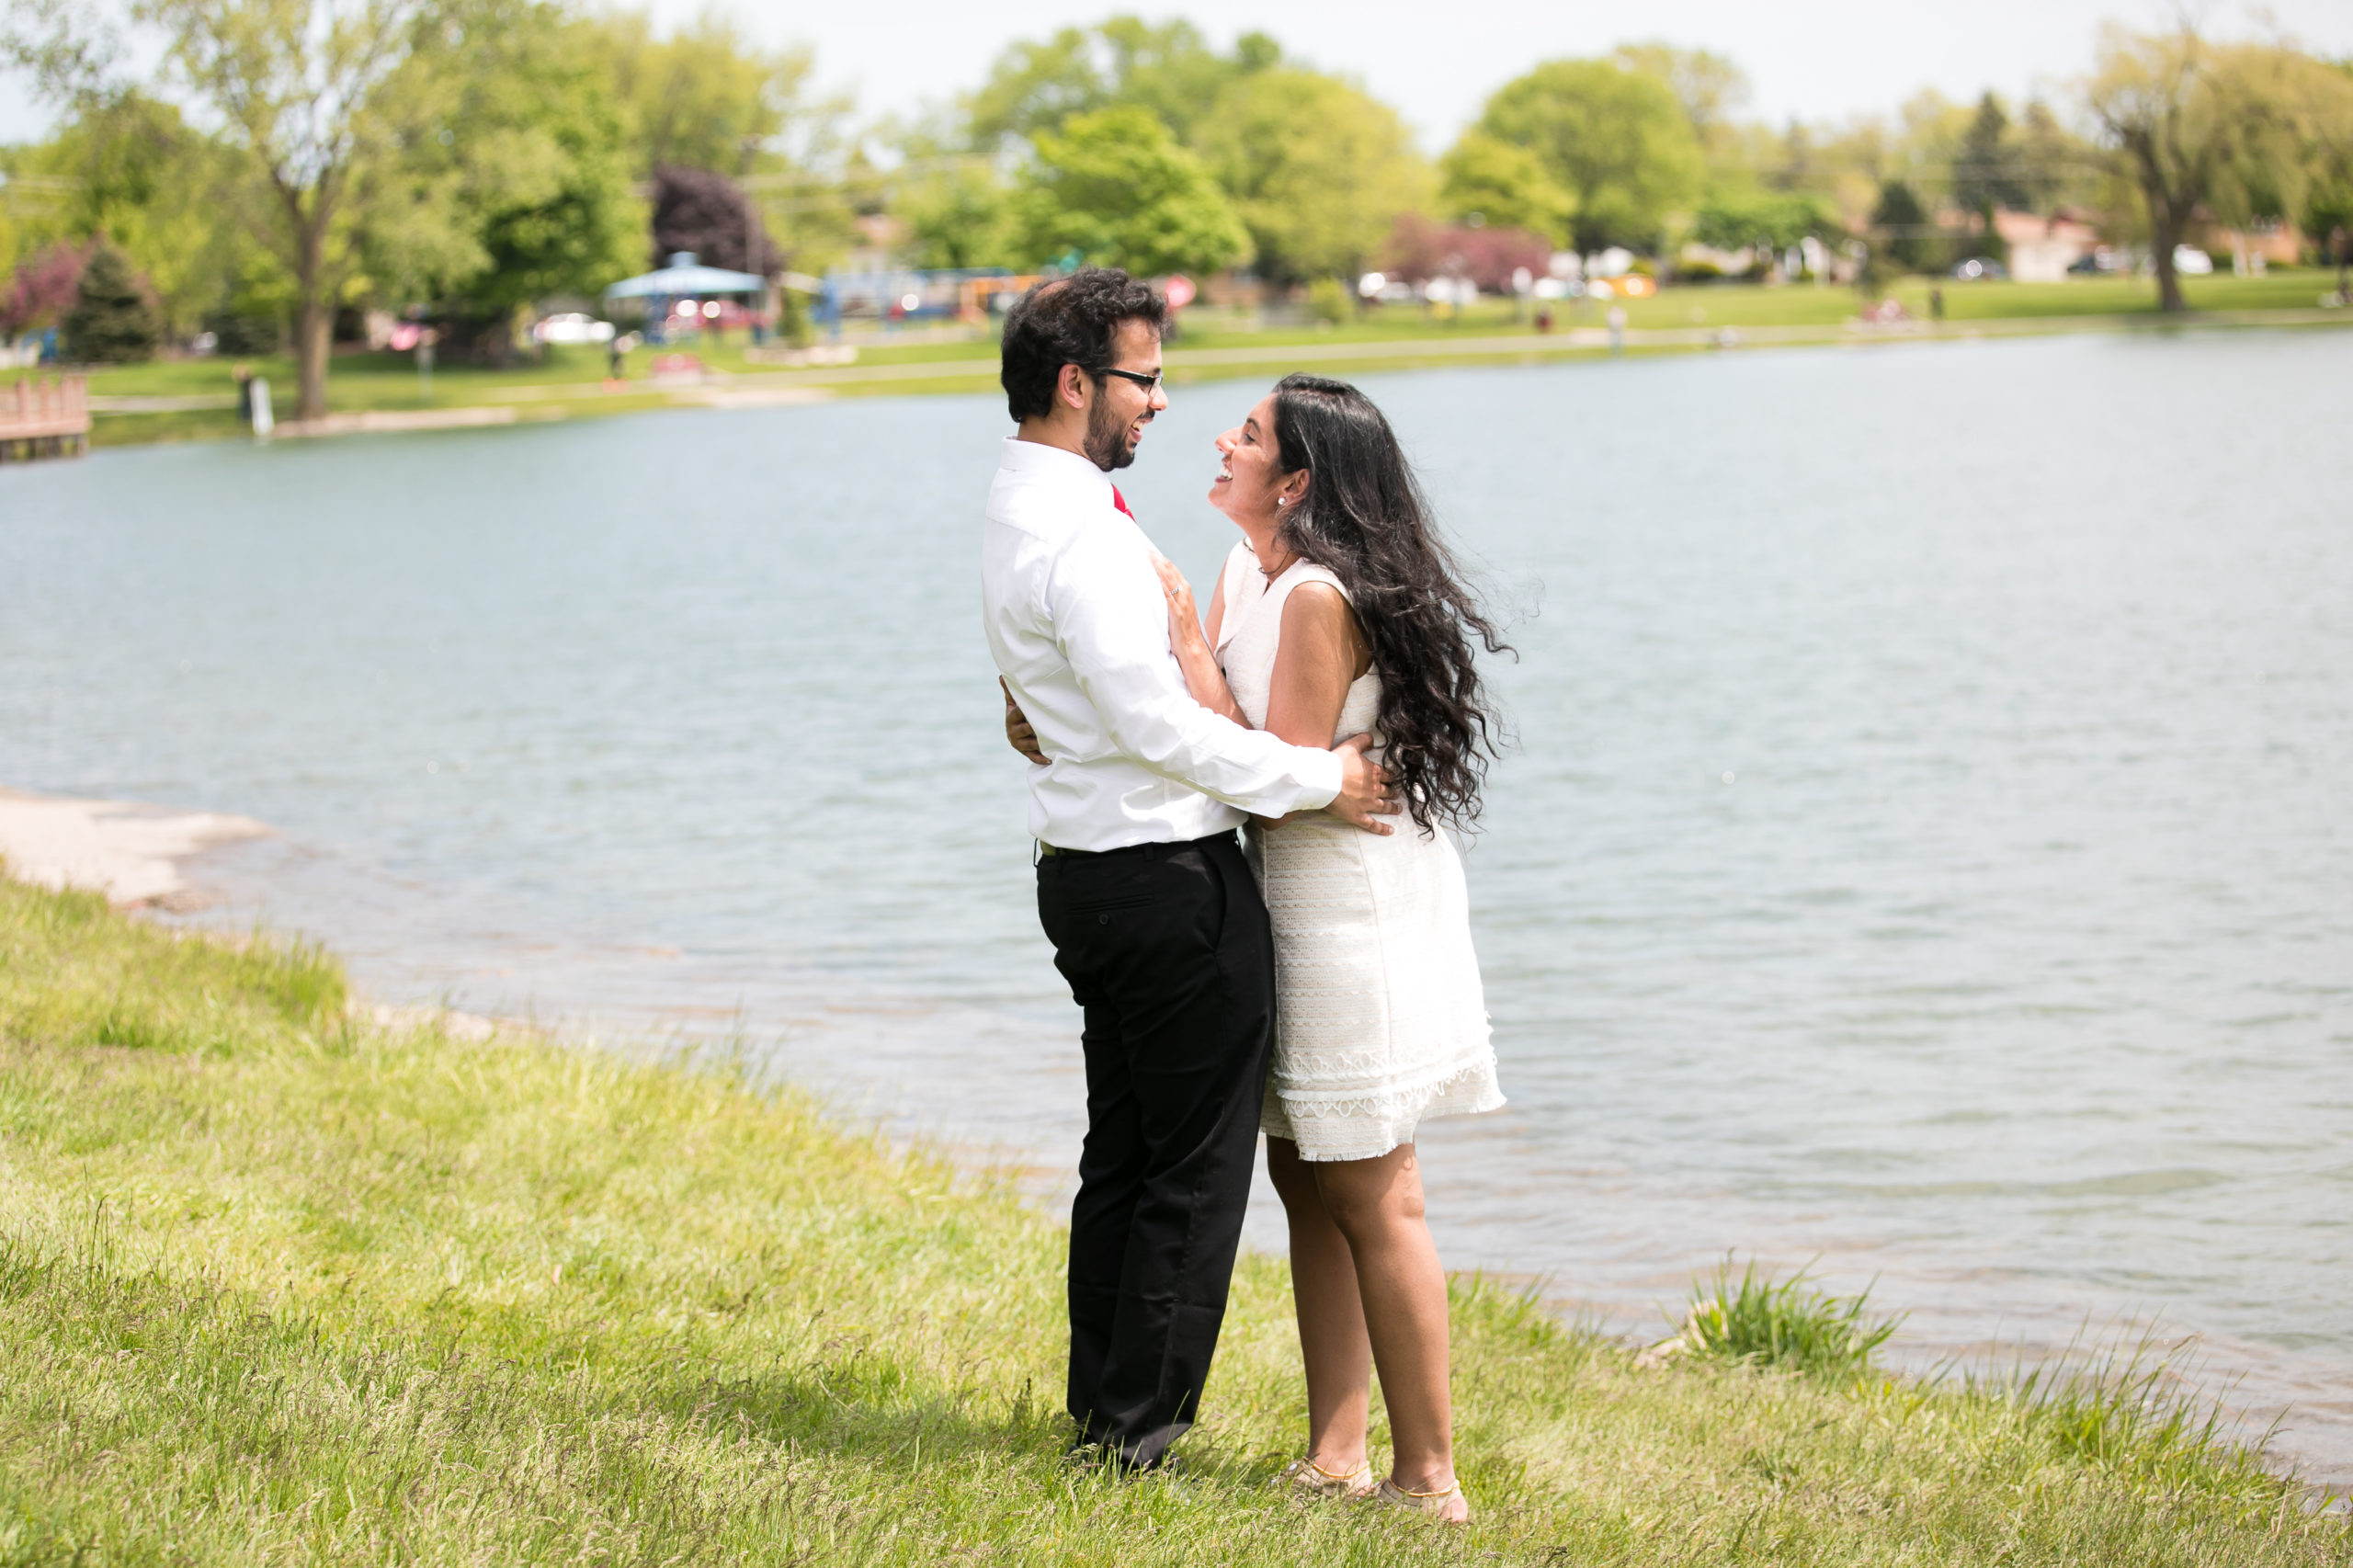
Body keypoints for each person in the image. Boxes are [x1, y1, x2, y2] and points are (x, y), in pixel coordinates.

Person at [981, 270, 1400, 1475]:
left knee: (1123, 1152)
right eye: (1146, 378)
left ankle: (1101, 1412)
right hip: (1163, 879)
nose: (1163, 404)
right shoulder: (1082, 533)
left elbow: (1080, 700)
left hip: (1087, 872)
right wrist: (1322, 779)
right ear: (1077, 384)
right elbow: (1161, 730)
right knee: (1190, 1171)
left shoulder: (1018, 507)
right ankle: (1134, 1438)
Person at [1144, 374, 1509, 1523]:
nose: (1220, 438)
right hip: (1292, 908)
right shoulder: (1248, 573)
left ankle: (1430, 1478)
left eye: (1246, 436)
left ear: (1295, 481)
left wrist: (1187, 651)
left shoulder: (1312, 595)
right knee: (1307, 1180)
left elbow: (1276, 779)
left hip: (1352, 918)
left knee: (1372, 1186)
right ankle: (1336, 1451)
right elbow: (1267, 764)